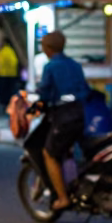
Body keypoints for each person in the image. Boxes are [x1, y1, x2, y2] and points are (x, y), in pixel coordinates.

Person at [37, 30, 91, 211]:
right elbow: (84, 90)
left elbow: (44, 94)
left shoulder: (50, 67)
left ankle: (63, 198)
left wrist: (34, 108)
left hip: (64, 118)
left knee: (49, 154)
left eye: (43, 46)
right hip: (82, 114)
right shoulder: (75, 65)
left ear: (49, 48)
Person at [0, 37, 20, 109]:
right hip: (12, 74)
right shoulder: (11, 51)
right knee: (10, 91)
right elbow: (14, 62)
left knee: (4, 91)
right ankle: (9, 105)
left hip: (3, 74)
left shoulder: (3, 51)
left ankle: (6, 105)